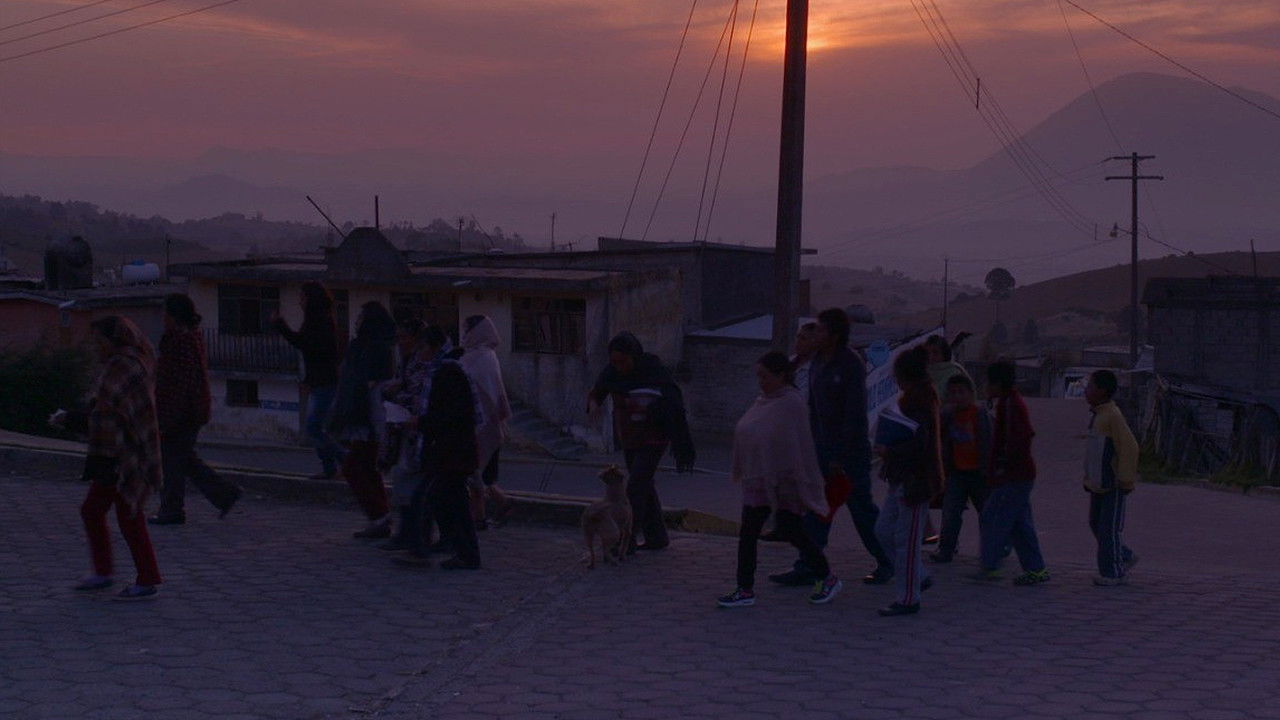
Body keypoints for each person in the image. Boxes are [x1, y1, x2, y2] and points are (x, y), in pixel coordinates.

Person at [771, 308, 892, 587]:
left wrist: (840, 455)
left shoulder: (850, 364)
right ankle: (808, 565)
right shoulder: (817, 362)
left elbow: (854, 415)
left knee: (862, 511)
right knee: (816, 510)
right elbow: (814, 408)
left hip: (849, 454)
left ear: (834, 335)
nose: (816, 333)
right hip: (821, 450)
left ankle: (888, 561)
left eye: (822, 329)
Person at [717, 352, 841, 608]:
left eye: (765, 376)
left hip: (784, 480)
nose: (761, 382)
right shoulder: (763, 401)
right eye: (758, 377)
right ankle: (745, 588)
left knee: (790, 530)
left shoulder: (791, 403)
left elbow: (795, 444)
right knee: (752, 532)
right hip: (759, 479)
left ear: (781, 375)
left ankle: (825, 576)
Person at [55, 317, 164, 600]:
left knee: (128, 516)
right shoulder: (128, 362)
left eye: (99, 341)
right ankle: (104, 572)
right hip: (115, 453)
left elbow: (109, 414)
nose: (95, 347)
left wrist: (69, 420)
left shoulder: (123, 366)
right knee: (94, 511)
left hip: (123, 455)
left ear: (113, 340)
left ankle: (145, 578)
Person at [588, 332, 695, 553]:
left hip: (654, 437)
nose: (619, 367)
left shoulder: (652, 369)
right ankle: (657, 537)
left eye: (623, 361)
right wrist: (594, 405)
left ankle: (625, 541)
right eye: (615, 362)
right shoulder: (611, 372)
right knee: (644, 485)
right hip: (629, 437)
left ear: (634, 356)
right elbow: (597, 392)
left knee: (636, 486)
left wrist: (655, 408)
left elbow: (672, 396)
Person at [150, 293, 242, 525]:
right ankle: (225, 494)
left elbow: (181, 383)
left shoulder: (181, 342)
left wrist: (169, 416)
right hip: (187, 410)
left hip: (182, 412)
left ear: (174, 316)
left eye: (166, 313)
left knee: (171, 461)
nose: (163, 318)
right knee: (183, 458)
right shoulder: (187, 339)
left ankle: (172, 509)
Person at [872, 347, 944, 616]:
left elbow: (919, 444)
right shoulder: (914, 399)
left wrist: (889, 451)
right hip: (901, 477)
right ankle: (918, 577)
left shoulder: (919, 402)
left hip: (916, 480)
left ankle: (908, 598)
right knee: (884, 531)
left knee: (907, 541)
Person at [974, 360, 1050, 585]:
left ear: (998, 383)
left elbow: (1019, 439)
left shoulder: (1011, 406)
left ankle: (990, 565)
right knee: (1018, 524)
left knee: (993, 517)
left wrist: (1002, 468)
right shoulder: (1008, 403)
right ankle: (1036, 569)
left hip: (1014, 476)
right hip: (1018, 475)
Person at [383, 325, 452, 560]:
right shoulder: (409, 362)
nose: (401, 342)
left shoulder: (439, 368)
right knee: (408, 486)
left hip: (426, 435)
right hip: (413, 431)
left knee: (420, 491)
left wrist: (400, 397)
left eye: (405, 337)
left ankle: (420, 542)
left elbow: (424, 398)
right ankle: (413, 539)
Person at [329, 301, 396, 539]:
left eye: (361, 317)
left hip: (368, 420)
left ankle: (379, 515)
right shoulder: (363, 346)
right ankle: (380, 516)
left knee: (354, 468)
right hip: (361, 419)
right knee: (366, 468)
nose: (357, 321)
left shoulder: (376, 349)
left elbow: (373, 389)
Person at [273, 281, 344, 479]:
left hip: (325, 381)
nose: (300, 302)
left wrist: (281, 326)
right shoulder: (316, 320)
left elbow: (306, 345)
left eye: (303, 297)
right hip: (319, 381)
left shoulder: (320, 322)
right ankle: (331, 467)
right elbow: (306, 345)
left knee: (314, 427)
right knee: (316, 427)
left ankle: (344, 459)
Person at [421, 361, 482, 570]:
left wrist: (422, 424)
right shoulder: (452, 374)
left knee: (447, 500)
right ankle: (463, 550)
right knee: (453, 502)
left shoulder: (447, 375)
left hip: (453, 454)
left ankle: (464, 551)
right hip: (456, 453)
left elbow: (444, 417)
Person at [1083, 370, 1139, 586]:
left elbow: (1129, 447)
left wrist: (1125, 480)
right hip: (1098, 484)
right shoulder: (1098, 415)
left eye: (1090, 387)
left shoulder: (1113, 416)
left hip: (1113, 485)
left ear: (1102, 391)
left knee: (1109, 529)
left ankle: (1114, 573)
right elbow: (1094, 453)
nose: (1086, 391)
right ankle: (1123, 555)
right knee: (1096, 524)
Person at [459, 315, 514, 529]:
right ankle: (500, 505)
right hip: (489, 423)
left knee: (476, 474)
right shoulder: (488, 356)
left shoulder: (477, 358)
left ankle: (480, 517)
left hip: (480, 423)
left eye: (466, 330)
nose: (464, 334)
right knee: (483, 475)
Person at [930, 374, 992, 563]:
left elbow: (988, 441)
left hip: (979, 473)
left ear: (971, 394)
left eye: (961, 392)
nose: (957, 396)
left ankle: (992, 550)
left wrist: (989, 469)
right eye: (953, 393)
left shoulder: (979, 414)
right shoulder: (948, 415)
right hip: (956, 472)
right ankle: (946, 549)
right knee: (950, 512)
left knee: (987, 513)